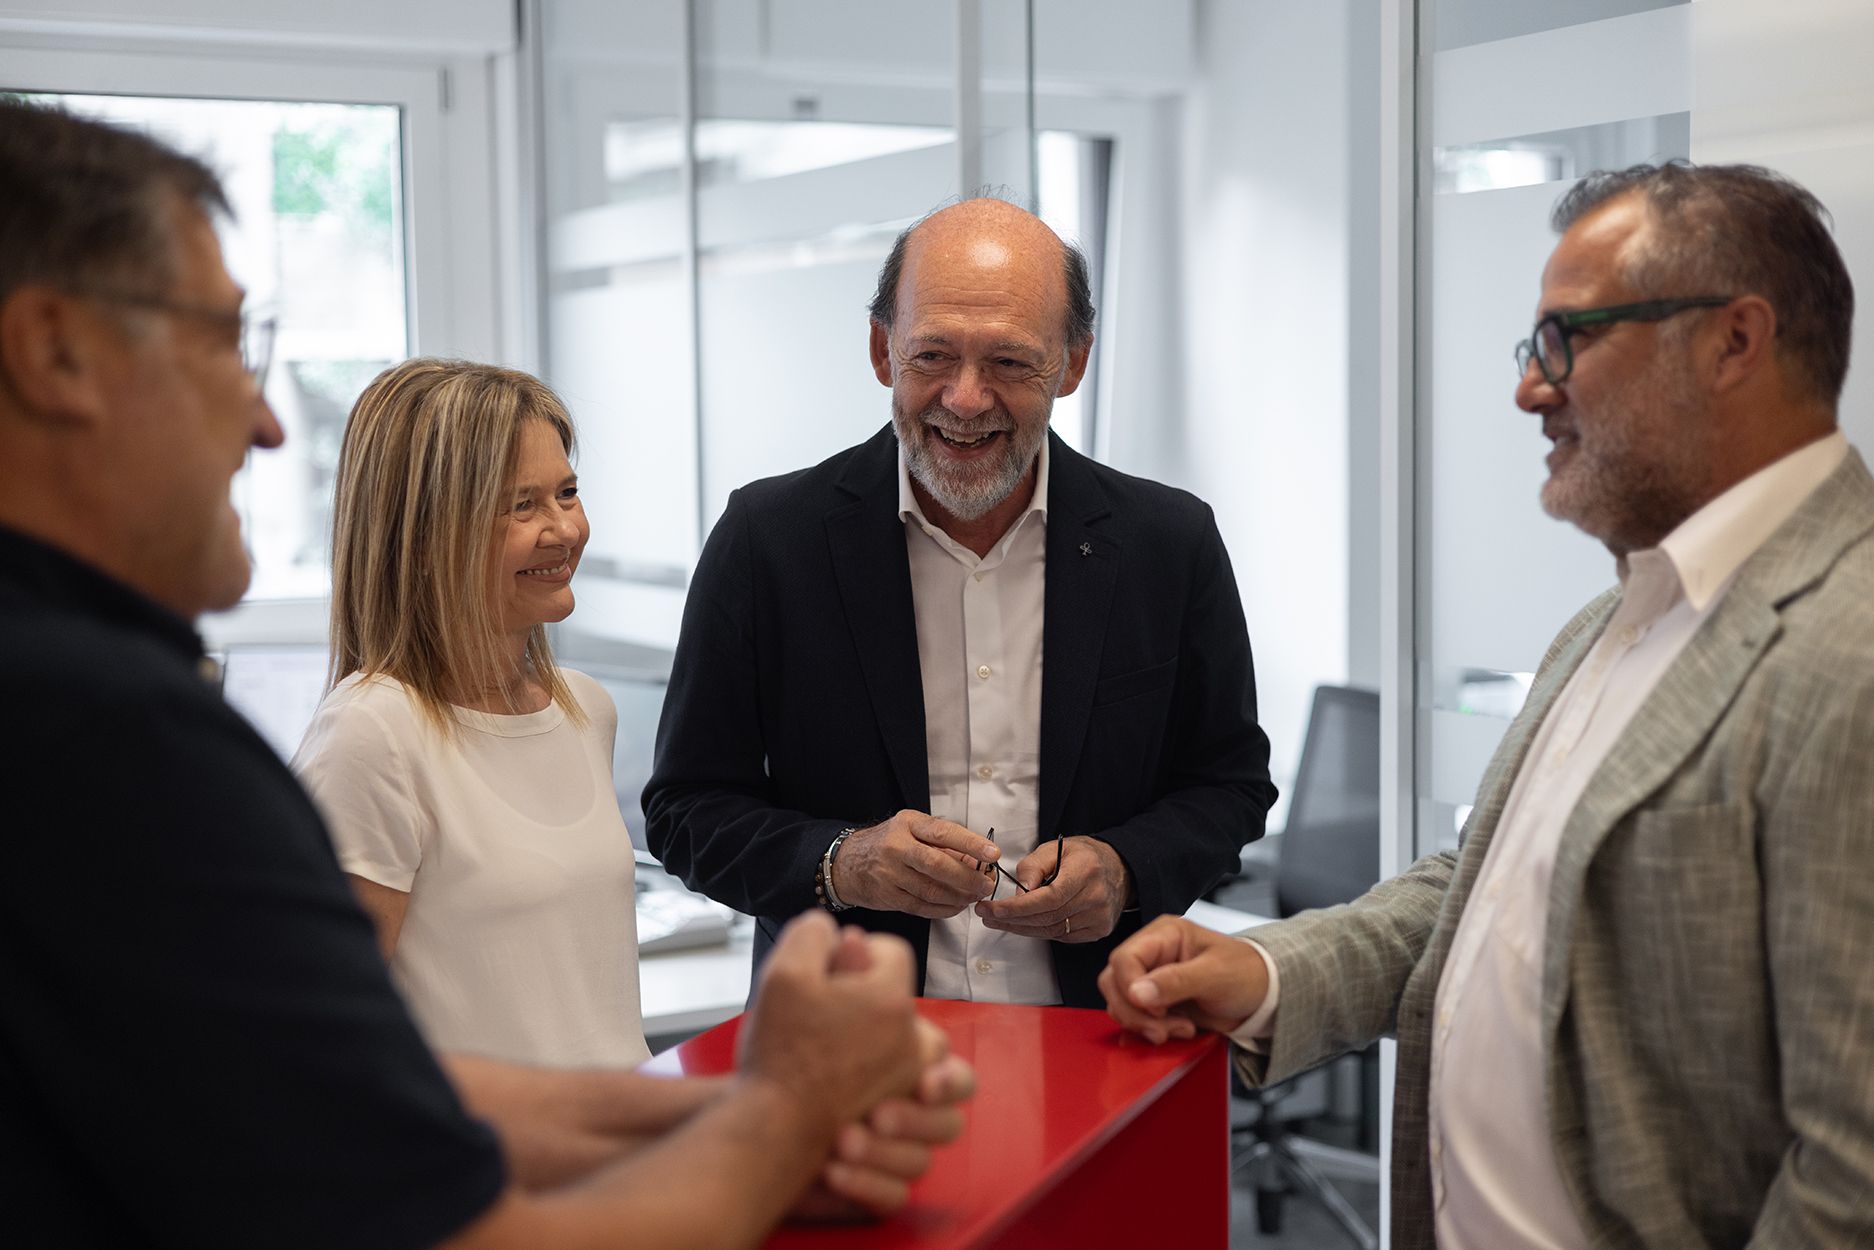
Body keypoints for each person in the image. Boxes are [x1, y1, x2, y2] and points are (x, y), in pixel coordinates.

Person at [0, 98, 973, 1248]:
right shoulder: (126, 734)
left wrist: (731, 1113)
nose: (265, 421)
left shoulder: (574, 708)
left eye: (565, 491)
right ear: (53, 350)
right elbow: (389, 1146)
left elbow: (349, 1085)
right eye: (224, 342)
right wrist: (784, 1108)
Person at [1101, 161, 1874, 1247]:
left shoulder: (1849, 646)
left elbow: (1853, 1178)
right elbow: (1485, 896)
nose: (1530, 390)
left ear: (1732, 341)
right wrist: (1271, 971)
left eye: (1567, 339)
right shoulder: (1616, 617)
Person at [644, 196, 1277, 1008]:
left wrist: (1126, 870)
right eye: (933, 355)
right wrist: (841, 863)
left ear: (1073, 363)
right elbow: (686, 809)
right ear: (883, 351)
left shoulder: (1168, 543)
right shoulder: (768, 540)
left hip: (1102, 1031)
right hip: (851, 1041)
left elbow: (1230, 785)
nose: (967, 399)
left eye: (1010, 362)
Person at [293, 358, 649, 1069]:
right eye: (522, 506)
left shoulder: (586, 710)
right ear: (424, 537)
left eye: (567, 493)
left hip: (621, 1125)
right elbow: (326, 1041)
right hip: (487, 1140)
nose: (565, 530)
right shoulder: (374, 734)